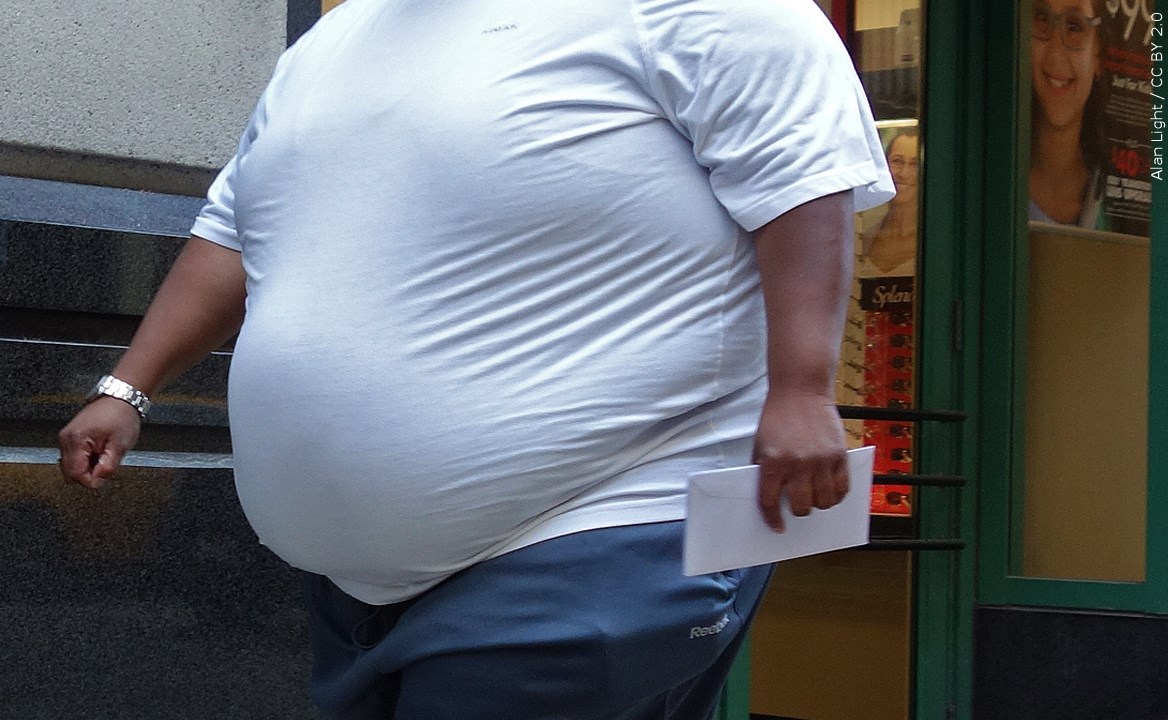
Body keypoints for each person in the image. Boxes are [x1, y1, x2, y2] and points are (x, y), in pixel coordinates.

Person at [58, 1, 894, 718]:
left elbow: (802, 185)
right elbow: (233, 234)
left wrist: (801, 392)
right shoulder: (334, 41)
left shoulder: (712, 11)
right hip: (354, 587)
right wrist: (128, 387)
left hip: (600, 530)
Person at [1028, 0, 1109, 228]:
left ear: (1097, 55)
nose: (1055, 54)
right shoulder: (989, 177)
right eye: (1042, 19)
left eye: (1074, 27)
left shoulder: (1113, 201)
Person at [859, 128, 920, 278]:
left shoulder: (935, 238)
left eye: (915, 164)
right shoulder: (865, 237)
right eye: (897, 161)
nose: (904, 174)